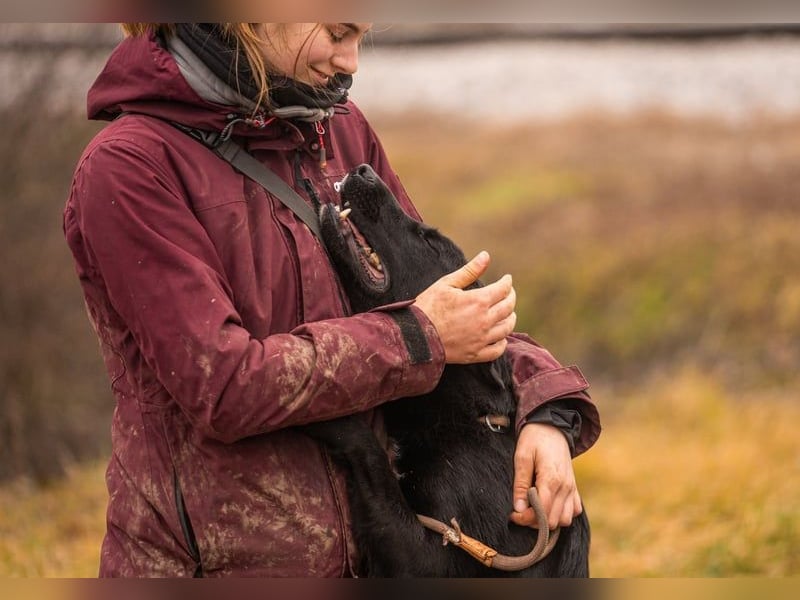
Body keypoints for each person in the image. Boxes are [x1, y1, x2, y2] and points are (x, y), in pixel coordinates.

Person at [63, 23, 601, 577]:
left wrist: (545, 409)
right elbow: (224, 386)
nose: (351, 62)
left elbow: (442, 303)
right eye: (339, 31)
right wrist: (415, 339)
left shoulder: (336, 130)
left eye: (362, 34)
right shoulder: (128, 170)